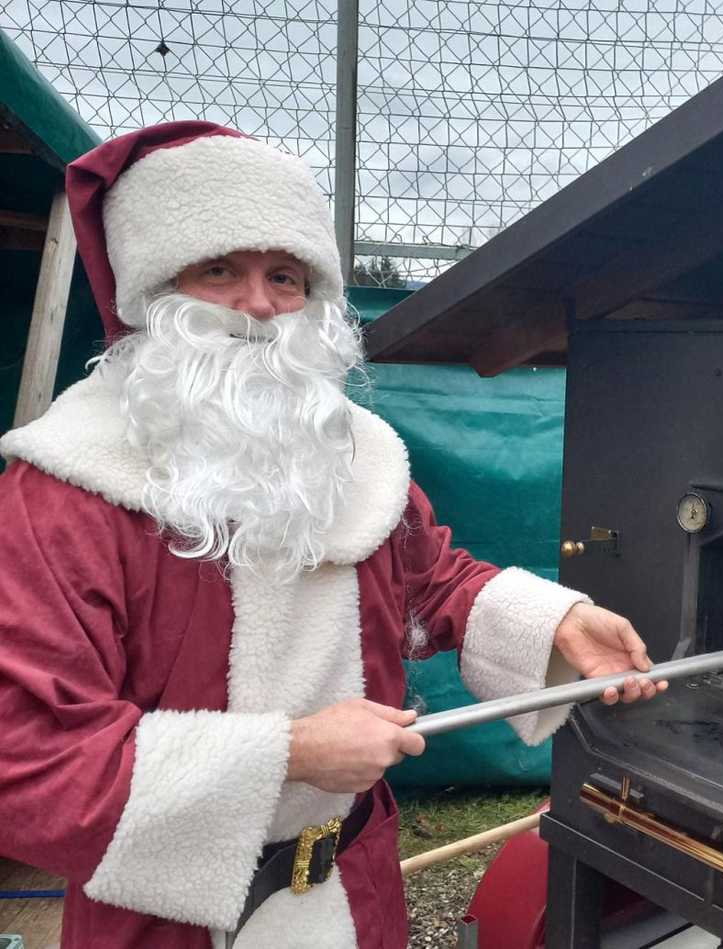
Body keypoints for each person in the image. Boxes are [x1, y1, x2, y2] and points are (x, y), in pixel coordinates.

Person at [0, 122, 665, 949]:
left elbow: (430, 583)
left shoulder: (351, 452)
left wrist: (558, 623)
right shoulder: (70, 487)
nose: (258, 305)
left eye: (286, 276)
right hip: (166, 919)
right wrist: (289, 753)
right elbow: (24, 758)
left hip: (354, 894)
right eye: (219, 269)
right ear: (152, 290)